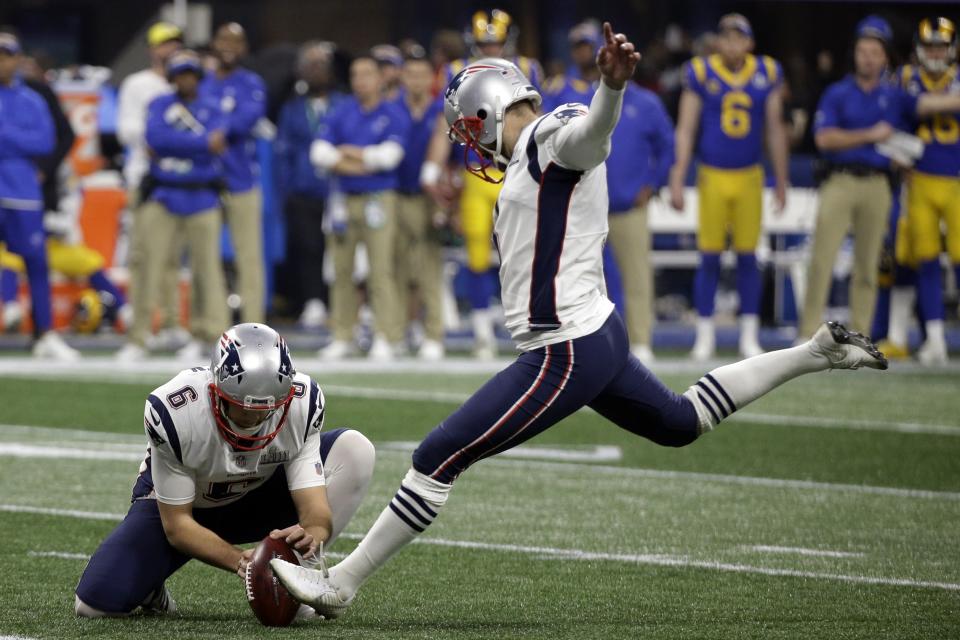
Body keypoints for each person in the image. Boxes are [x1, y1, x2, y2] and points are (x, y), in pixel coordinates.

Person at [269, 24, 889, 618]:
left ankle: (340, 584)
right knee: (680, 421)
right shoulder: (529, 152)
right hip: (595, 333)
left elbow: (589, 134)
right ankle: (816, 353)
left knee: (437, 455)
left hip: (564, 346)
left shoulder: (548, 134)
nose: (469, 143)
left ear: (485, 113)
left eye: (468, 128)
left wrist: (612, 88)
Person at [74, 322, 376, 617]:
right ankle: (150, 587)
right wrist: (240, 561)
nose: (255, 420)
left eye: (265, 410)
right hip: (190, 505)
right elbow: (178, 526)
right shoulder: (177, 412)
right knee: (94, 604)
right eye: (244, 408)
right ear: (217, 391)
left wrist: (314, 531)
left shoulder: (302, 402)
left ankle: (296, 585)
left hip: (259, 493)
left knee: (355, 450)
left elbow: (315, 509)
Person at [799, 15, 960, 340]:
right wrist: (870, 134)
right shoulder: (838, 92)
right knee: (822, 260)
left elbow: (931, 104)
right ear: (854, 54)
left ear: (885, 56)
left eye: (875, 52)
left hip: (878, 184)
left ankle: (861, 337)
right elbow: (824, 139)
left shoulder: (895, 95)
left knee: (869, 266)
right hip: (840, 180)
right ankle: (806, 334)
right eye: (863, 51)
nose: (869, 58)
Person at [543, 20, 675, 361]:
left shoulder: (644, 101)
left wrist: (654, 184)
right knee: (578, 277)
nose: (584, 52)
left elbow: (667, 146)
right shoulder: (562, 92)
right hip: (580, 203)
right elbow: (544, 139)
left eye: (589, 45)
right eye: (579, 46)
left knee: (636, 275)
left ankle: (641, 341)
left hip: (627, 202)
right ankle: (586, 343)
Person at [421, 9, 545, 359]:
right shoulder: (455, 71)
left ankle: (531, 327)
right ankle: (481, 333)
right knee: (476, 251)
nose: (490, 49)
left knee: (526, 253)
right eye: (483, 43)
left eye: (495, 42)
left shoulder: (527, 68)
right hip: (476, 170)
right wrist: (432, 166)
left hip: (516, 170)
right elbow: (444, 124)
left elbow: (538, 122)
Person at [668, 13, 789, 360]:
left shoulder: (766, 71)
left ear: (749, 42)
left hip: (750, 175)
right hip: (712, 175)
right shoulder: (701, 72)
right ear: (718, 41)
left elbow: (775, 128)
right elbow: (686, 128)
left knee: (749, 257)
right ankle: (704, 334)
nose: (732, 43)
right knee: (709, 256)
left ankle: (749, 334)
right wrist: (678, 176)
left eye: (739, 37)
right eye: (727, 37)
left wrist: (781, 178)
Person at [130, 50, 230, 358]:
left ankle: (212, 337)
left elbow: (217, 144)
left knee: (208, 271)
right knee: (150, 266)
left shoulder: (213, 106)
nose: (185, 79)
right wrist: (200, 144)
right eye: (179, 74)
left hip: (202, 195)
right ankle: (139, 337)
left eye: (190, 73)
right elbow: (155, 139)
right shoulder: (160, 104)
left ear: (198, 76)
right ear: (172, 78)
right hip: (165, 193)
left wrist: (178, 146)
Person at [311, 54, 409, 360]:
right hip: (343, 198)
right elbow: (319, 153)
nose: (360, 81)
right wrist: (365, 161)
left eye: (366, 74)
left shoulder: (393, 113)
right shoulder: (341, 111)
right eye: (355, 74)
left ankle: (385, 335)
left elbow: (389, 158)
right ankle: (343, 334)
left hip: (379, 199)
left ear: (380, 78)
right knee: (341, 270)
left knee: (381, 269)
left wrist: (346, 156)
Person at [0, 30, 79, 359]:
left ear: (18, 59)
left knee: (36, 261)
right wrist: (16, 142)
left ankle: (45, 332)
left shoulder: (33, 99)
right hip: (15, 182)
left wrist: (4, 136)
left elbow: (45, 142)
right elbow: (31, 141)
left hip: (21, 192)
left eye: (6, 54)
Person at [115, 22, 187, 361]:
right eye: (163, 44)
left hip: (181, 179)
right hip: (146, 176)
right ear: (151, 49)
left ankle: (172, 325)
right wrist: (157, 140)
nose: (169, 49)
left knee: (174, 256)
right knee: (143, 256)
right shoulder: (138, 84)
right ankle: (140, 332)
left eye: (174, 43)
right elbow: (126, 129)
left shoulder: (190, 81)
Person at [199, 23, 267, 334]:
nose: (229, 45)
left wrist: (218, 129)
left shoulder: (251, 83)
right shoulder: (202, 83)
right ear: (214, 43)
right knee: (206, 256)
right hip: (205, 181)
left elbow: (246, 118)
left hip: (241, 179)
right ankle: (214, 328)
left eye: (236, 41)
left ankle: (255, 328)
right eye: (223, 39)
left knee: (248, 256)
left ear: (244, 49)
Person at [900, 17, 959, 365]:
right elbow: (898, 114)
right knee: (926, 262)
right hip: (919, 180)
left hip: (956, 181)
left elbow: (913, 107)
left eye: (941, 46)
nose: (936, 52)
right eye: (930, 46)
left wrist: (924, 105)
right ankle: (935, 339)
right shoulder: (906, 78)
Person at [275, 41, 342, 330]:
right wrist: (289, 186)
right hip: (304, 189)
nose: (317, 72)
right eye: (311, 67)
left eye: (322, 67)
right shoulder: (292, 108)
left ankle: (340, 302)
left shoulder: (344, 104)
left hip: (339, 188)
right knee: (309, 247)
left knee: (341, 248)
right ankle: (314, 300)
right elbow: (284, 152)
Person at [394, 51, 447, 360]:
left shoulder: (442, 110)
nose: (416, 81)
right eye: (410, 74)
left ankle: (433, 333)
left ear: (431, 79)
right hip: (396, 193)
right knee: (398, 266)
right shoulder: (393, 108)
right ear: (403, 77)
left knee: (429, 266)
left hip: (429, 196)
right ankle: (400, 331)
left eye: (422, 75)